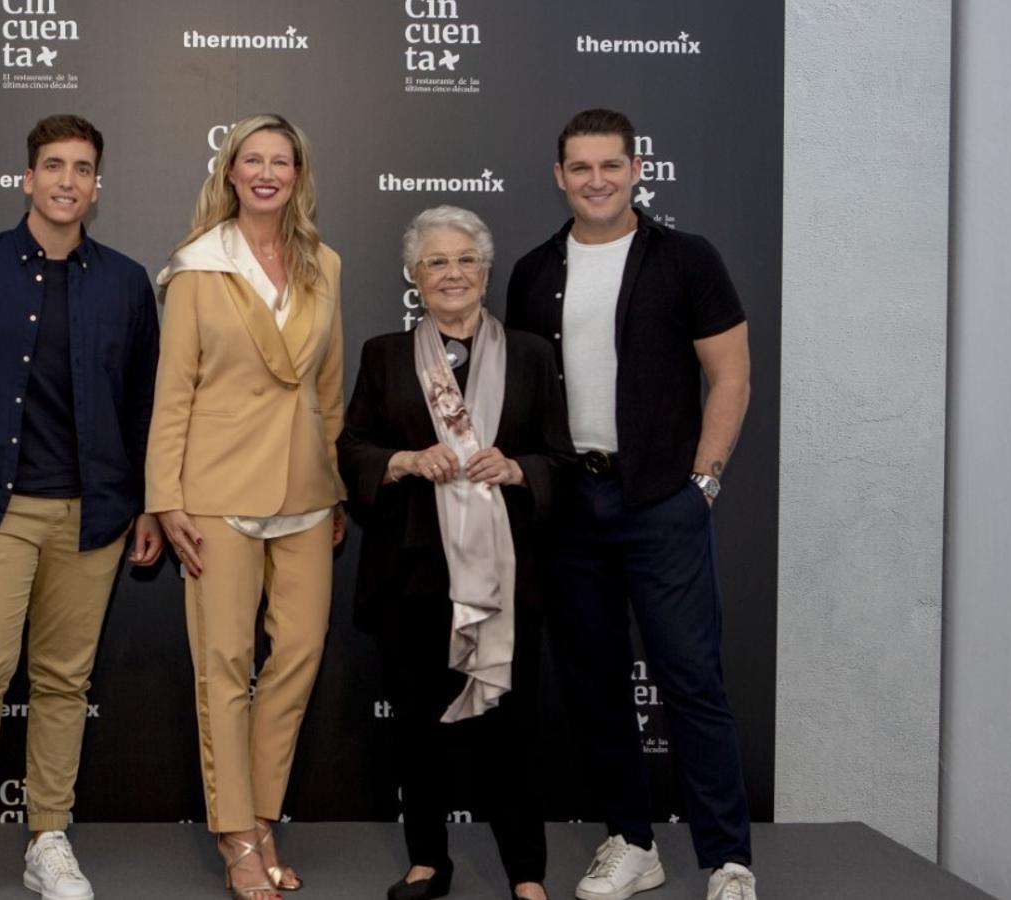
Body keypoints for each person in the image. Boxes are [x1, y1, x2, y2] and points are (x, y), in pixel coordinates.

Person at [505, 108, 756, 900]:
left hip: (662, 504)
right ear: (559, 176)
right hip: (571, 507)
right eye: (580, 167)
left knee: (691, 678)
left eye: (610, 165)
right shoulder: (533, 271)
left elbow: (731, 375)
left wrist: (704, 481)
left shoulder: (686, 259)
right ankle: (633, 841)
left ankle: (728, 860)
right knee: (594, 681)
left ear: (637, 169)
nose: (596, 180)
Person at [0, 114, 164, 900]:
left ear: (97, 186)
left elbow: (146, 403)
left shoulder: (126, 281)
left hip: (91, 515)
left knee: (64, 681)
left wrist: (146, 503)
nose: (68, 180)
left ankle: (48, 836)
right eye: (54, 165)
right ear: (27, 178)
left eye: (83, 168)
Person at [338, 206, 571, 900]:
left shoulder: (531, 354)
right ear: (415, 275)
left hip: (504, 574)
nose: (453, 273)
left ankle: (526, 871)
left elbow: (560, 458)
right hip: (413, 567)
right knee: (418, 725)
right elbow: (353, 448)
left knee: (514, 726)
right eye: (436, 261)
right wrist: (406, 460)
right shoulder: (384, 355)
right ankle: (426, 861)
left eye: (466, 259)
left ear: (487, 273)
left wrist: (520, 469)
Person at [147, 114, 345, 900]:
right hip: (217, 492)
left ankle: (261, 816)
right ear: (229, 171)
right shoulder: (198, 267)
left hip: (307, 491)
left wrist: (335, 484)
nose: (266, 173)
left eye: (281, 161)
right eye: (252, 160)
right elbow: (173, 392)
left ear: (298, 174)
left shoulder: (325, 263)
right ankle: (236, 834)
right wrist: (165, 497)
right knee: (224, 664)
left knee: (298, 655)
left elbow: (328, 388)